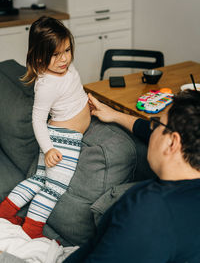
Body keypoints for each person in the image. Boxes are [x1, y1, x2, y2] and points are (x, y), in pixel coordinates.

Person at [63, 89, 200, 263]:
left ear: (173, 142)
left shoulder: (152, 211)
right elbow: (144, 129)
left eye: (157, 125)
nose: (152, 131)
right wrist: (114, 114)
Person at [0, 16, 91, 239]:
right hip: (63, 142)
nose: (64, 59)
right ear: (40, 56)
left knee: (38, 180)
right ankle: (32, 230)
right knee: (53, 189)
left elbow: (72, 90)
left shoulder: (65, 68)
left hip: (59, 137)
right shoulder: (46, 85)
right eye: (55, 54)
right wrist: (49, 148)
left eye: (67, 50)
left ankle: (4, 211)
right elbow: (38, 119)